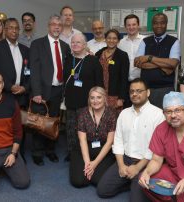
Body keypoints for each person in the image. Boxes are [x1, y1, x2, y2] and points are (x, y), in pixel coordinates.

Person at [97, 78, 165, 201]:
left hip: (145, 163)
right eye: (132, 91)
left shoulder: (158, 115)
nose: (134, 94)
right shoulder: (124, 113)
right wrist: (121, 165)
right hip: (125, 160)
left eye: (139, 91)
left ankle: (135, 182)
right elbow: (118, 141)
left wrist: (138, 168)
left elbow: (155, 150)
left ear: (148, 93)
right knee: (102, 190)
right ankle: (131, 182)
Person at [139, 92, 184, 202]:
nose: (173, 115)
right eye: (168, 111)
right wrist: (147, 172)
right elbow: (156, 160)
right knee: (147, 181)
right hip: (176, 176)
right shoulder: (161, 130)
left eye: (177, 110)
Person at [30, 14, 71, 166]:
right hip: (42, 91)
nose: (56, 27)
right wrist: (36, 92)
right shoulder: (37, 44)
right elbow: (34, 70)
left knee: (53, 123)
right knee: (39, 123)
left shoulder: (65, 47)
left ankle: (50, 150)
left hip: (58, 91)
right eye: (54, 24)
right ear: (49, 26)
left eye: (59, 25)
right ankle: (37, 152)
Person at [63, 33, 104, 161]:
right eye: (73, 42)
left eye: (78, 42)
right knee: (70, 129)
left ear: (85, 45)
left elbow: (99, 83)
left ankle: (86, 153)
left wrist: (98, 101)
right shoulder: (68, 59)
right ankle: (71, 152)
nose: (75, 45)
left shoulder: (93, 60)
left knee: (87, 129)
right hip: (70, 101)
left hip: (88, 103)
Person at [70, 86, 116, 188]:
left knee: (97, 181)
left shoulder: (111, 114)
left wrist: (94, 164)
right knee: (78, 181)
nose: (95, 101)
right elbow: (82, 141)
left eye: (99, 97)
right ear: (89, 99)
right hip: (85, 147)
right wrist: (87, 164)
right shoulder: (82, 113)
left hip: (104, 149)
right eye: (92, 98)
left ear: (105, 98)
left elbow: (109, 142)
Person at [134, 12, 180, 109]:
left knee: (165, 120)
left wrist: (149, 58)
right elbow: (137, 62)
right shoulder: (145, 41)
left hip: (165, 90)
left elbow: (173, 63)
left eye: (162, 23)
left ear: (166, 24)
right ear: (152, 25)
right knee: (145, 120)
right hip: (145, 90)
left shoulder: (174, 41)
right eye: (155, 23)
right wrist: (164, 65)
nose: (159, 25)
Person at [0, 18, 30, 108]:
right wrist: (9, 86)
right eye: (11, 28)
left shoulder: (25, 50)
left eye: (16, 28)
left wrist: (25, 87)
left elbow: (29, 71)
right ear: (5, 30)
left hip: (22, 97)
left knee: (20, 121)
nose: (14, 31)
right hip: (4, 94)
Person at [95, 29, 129, 111]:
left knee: (114, 121)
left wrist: (121, 98)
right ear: (105, 39)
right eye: (109, 38)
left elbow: (124, 78)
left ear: (118, 41)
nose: (111, 40)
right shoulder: (99, 53)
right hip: (99, 94)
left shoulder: (122, 56)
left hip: (114, 96)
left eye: (114, 38)